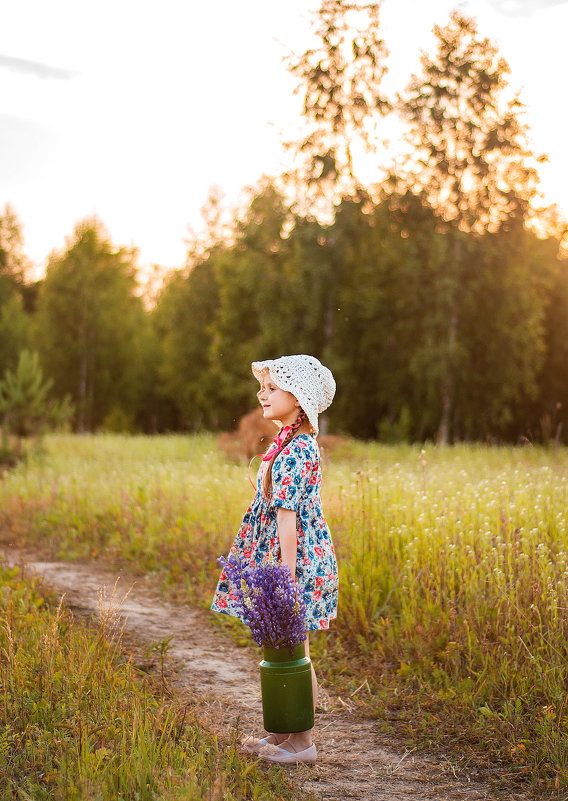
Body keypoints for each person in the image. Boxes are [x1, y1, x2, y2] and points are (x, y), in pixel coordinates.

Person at [211, 354, 339, 764]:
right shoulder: (287, 442)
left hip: (295, 561)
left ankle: (302, 743)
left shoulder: (299, 449)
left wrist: (285, 579)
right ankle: (281, 735)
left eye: (271, 388)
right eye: (262, 387)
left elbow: (288, 519)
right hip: (288, 559)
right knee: (281, 648)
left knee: (294, 649)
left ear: (299, 399)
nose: (260, 394)